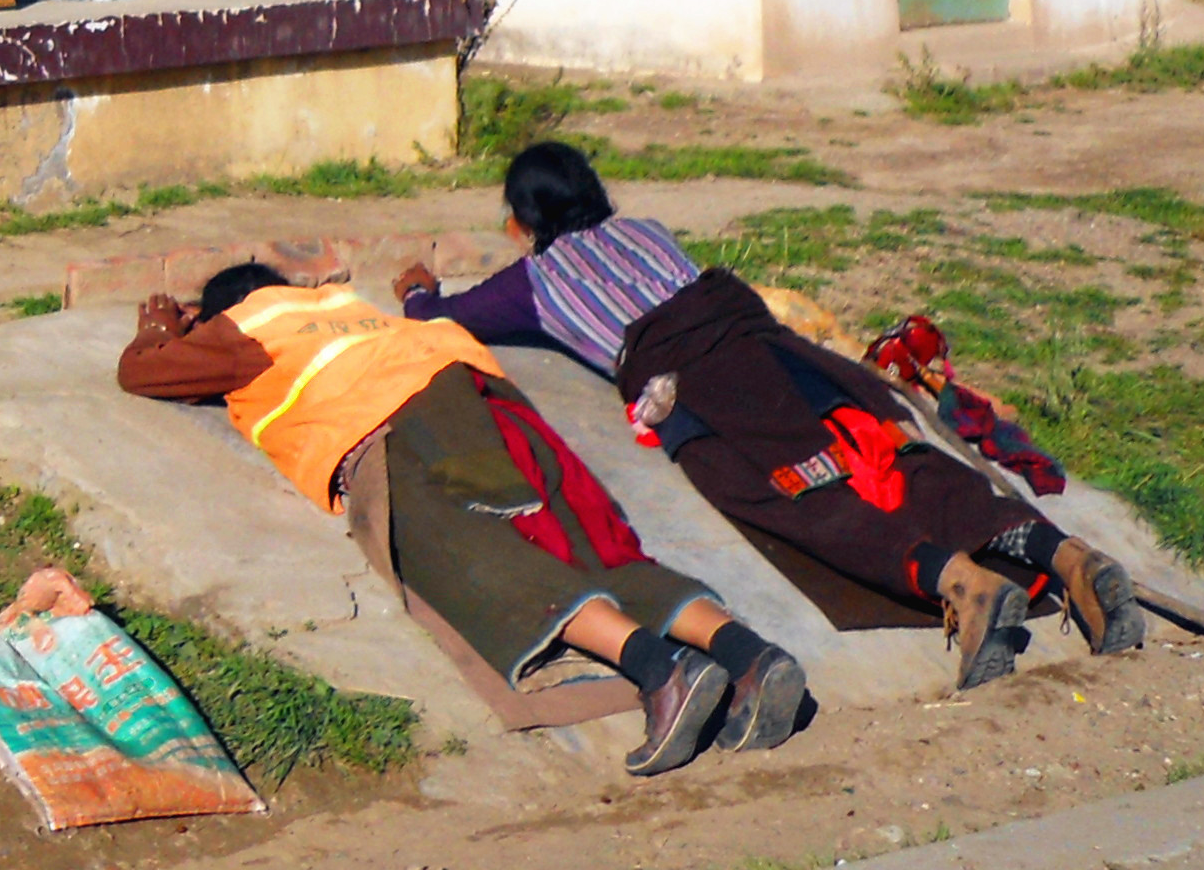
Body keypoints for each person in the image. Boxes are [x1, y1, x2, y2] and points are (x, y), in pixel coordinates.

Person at [400, 141, 1145, 690]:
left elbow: (440, 316)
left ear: (526, 218)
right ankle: (1064, 555)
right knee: (888, 455)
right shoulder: (648, 231)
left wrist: (414, 287)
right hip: (781, 352)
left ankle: (960, 583)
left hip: (705, 388)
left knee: (793, 498)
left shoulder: (534, 284)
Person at [119, 242, 809, 769]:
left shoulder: (245, 324)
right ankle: (748, 654)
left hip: (401, 432)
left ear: (218, 311)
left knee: (476, 562)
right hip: (494, 405)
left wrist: (159, 326)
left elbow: (143, 373)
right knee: (591, 542)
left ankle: (661, 673)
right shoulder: (350, 306)